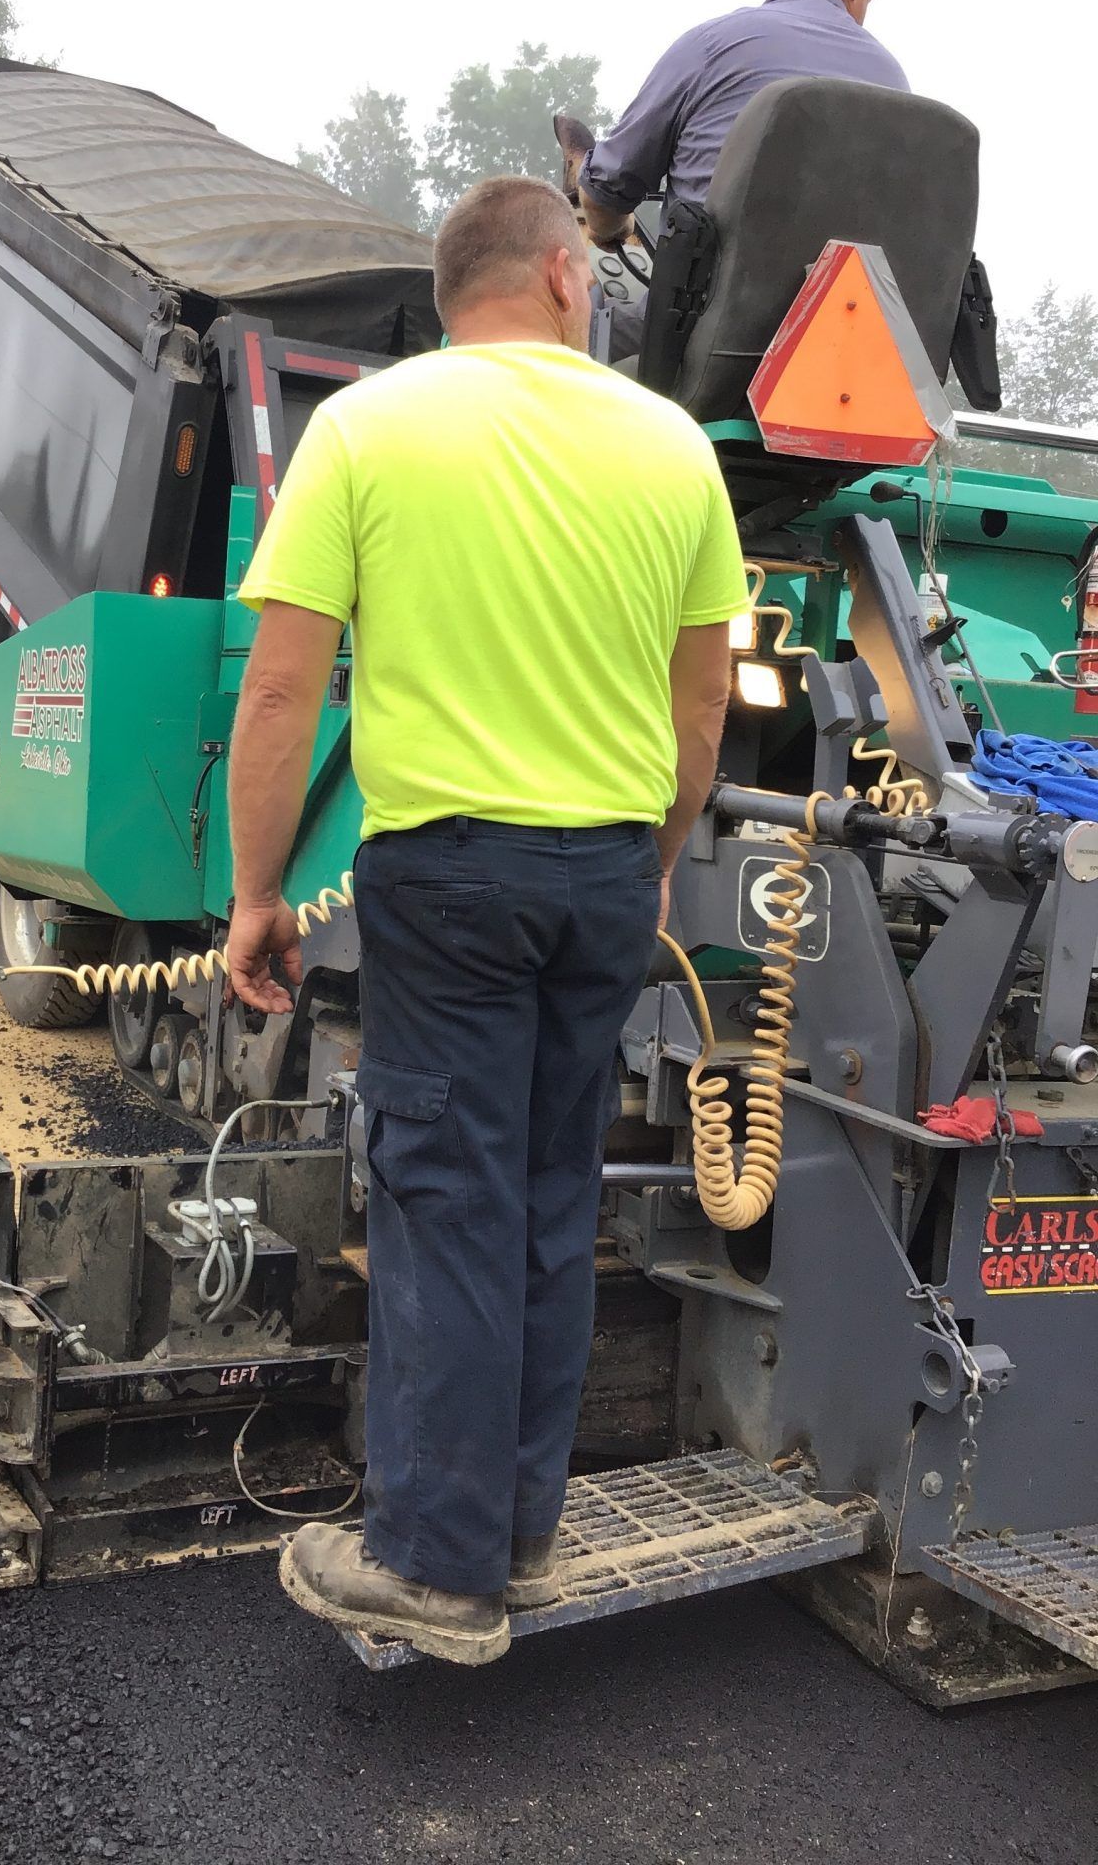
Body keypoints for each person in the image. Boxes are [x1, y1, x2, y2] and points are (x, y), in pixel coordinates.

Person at [222, 176, 749, 1664]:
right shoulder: (669, 446)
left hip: (448, 876)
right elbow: (697, 701)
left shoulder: (371, 430)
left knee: (446, 1197)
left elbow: (280, 688)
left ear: (455, 295)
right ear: (569, 278)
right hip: (599, 876)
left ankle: (435, 1567)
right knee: (544, 1200)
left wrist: (260, 893)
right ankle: (513, 1523)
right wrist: (650, 856)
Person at [567, 0, 909, 245]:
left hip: (716, 300)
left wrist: (611, 229)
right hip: (858, 296)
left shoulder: (709, 45)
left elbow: (603, 193)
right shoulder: (895, 83)